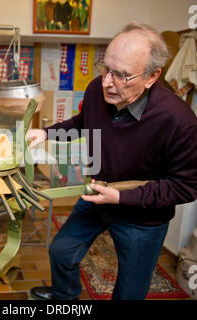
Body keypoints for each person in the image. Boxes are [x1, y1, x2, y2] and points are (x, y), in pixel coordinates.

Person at [26, 22, 197, 300]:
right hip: (97, 195)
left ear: (152, 76)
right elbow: (84, 122)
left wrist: (120, 197)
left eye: (122, 75)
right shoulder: (97, 89)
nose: (107, 82)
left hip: (143, 218)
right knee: (62, 251)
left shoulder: (179, 120)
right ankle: (64, 296)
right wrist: (46, 133)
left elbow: (185, 187)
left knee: (130, 291)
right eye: (105, 68)